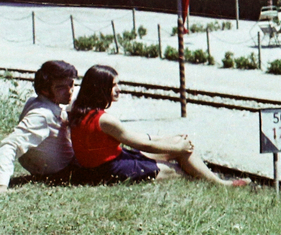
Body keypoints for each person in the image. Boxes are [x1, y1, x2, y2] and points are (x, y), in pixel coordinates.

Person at [67, 64, 243, 185]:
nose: (119, 89)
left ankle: (215, 179)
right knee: (177, 170)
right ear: (100, 89)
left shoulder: (78, 110)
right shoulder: (104, 120)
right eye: (114, 86)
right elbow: (144, 144)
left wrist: (171, 140)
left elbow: (137, 137)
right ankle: (219, 184)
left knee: (176, 143)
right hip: (112, 170)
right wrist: (180, 149)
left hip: (106, 165)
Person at [0, 60, 78, 190]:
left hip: (61, 167)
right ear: (45, 90)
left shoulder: (39, 102)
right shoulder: (41, 115)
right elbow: (9, 145)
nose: (70, 91)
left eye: (71, 85)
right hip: (62, 173)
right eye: (61, 88)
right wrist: (1, 184)